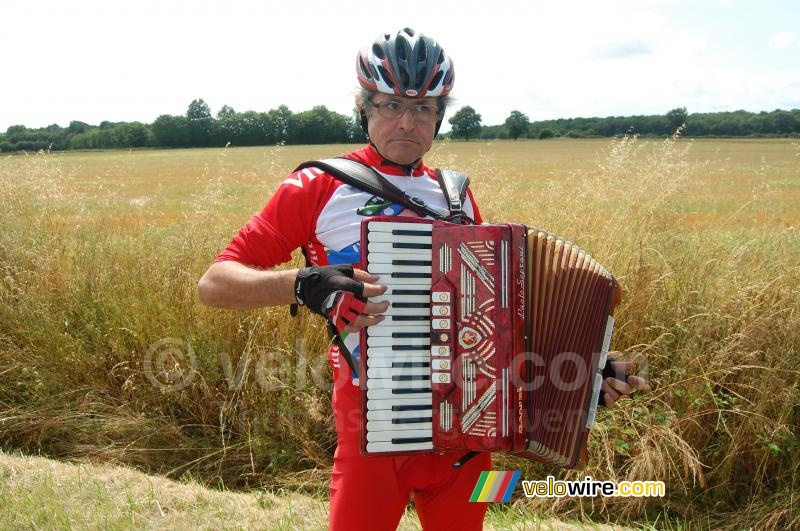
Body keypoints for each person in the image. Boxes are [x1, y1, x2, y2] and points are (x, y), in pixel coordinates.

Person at [198, 27, 648, 531]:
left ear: (440, 117)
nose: (407, 121)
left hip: (466, 435)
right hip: (372, 429)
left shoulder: (454, 195)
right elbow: (214, 283)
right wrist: (303, 283)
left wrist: (582, 373)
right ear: (364, 108)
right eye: (391, 105)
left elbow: (490, 318)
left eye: (425, 108)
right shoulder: (317, 185)